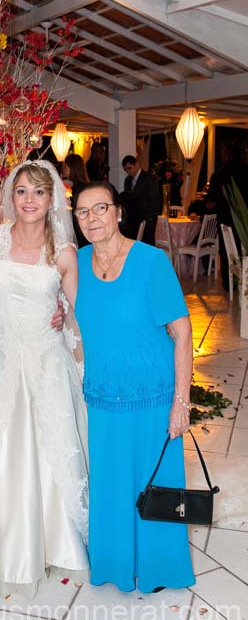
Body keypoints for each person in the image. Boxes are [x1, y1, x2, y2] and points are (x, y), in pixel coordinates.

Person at [74, 181, 195, 594]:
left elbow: (182, 333)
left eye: (100, 208)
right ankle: (114, 564)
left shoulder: (150, 262)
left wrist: (182, 401)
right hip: (105, 398)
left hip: (153, 396)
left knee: (156, 485)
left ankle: (161, 567)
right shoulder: (76, 264)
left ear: (118, 212)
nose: (92, 218)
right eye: (82, 212)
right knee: (111, 484)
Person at [0, 160, 89, 597]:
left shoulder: (64, 252)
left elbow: (77, 317)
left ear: (52, 200)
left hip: (47, 364)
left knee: (51, 451)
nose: (29, 200)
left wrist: (66, 319)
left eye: (38, 193)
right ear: (12, 196)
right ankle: (9, 548)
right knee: (7, 451)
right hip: (6, 360)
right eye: (22, 191)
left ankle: (62, 544)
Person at [205, 141, 248, 291]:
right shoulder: (245, 172)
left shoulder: (218, 175)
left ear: (226, 155)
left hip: (225, 221)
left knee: (227, 252)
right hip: (244, 221)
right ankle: (244, 281)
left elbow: (211, 201)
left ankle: (230, 284)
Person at [121, 155, 160, 245]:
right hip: (133, 220)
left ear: (137, 164)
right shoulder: (127, 180)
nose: (128, 172)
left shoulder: (149, 178)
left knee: (147, 246)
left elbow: (154, 200)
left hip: (147, 219)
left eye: (129, 168)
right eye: (126, 170)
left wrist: (150, 218)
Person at [62, 153, 90, 247]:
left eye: (65, 167)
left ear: (72, 168)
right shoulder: (87, 186)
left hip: (77, 229)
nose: (63, 170)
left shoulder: (70, 188)